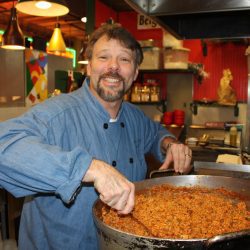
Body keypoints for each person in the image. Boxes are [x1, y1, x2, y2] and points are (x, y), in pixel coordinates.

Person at [0, 23, 192, 250]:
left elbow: (154, 134)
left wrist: (169, 144)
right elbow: (4, 145)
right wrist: (89, 168)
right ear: (89, 67)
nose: (113, 67)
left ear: (135, 74)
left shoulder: (134, 116)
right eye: (103, 57)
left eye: (124, 59)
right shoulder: (57, 113)